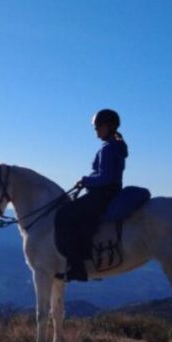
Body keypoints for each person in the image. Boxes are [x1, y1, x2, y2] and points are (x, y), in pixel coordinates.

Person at [55, 108, 128, 281]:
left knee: (63, 216)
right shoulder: (115, 146)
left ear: (108, 126)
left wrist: (86, 180)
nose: (96, 131)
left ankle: (77, 267)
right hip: (109, 194)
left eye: (98, 127)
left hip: (102, 196)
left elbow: (106, 177)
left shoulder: (109, 149)